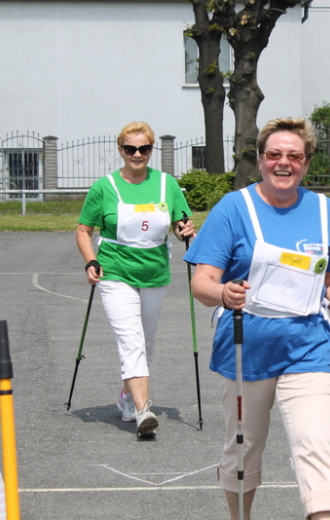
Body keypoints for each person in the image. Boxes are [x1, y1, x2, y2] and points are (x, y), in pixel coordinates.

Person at [184, 117, 330, 520]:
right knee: (243, 447)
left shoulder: (325, 211)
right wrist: (224, 293)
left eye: (294, 156)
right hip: (245, 350)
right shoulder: (233, 209)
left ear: (307, 163)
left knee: (316, 448)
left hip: (307, 348)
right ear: (260, 160)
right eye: (274, 155)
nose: (283, 163)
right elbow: (201, 282)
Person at [76, 121, 195, 438]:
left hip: (154, 272)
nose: (137, 154)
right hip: (115, 271)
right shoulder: (105, 187)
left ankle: (128, 395)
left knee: (147, 342)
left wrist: (184, 230)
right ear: (121, 150)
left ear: (151, 150)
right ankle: (144, 411)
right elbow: (84, 229)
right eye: (131, 149)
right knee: (131, 341)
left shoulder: (167, 184)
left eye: (144, 148)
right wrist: (91, 260)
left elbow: (180, 222)